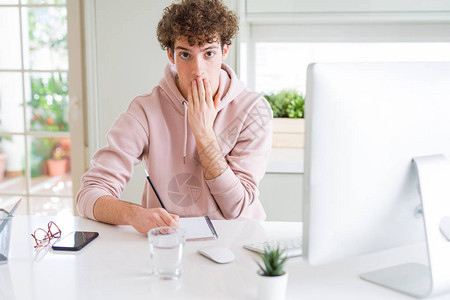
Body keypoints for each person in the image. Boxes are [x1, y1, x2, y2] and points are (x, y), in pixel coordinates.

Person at [76, 0, 273, 234]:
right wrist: (134, 214)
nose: (198, 70)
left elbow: (236, 208)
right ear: (171, 54)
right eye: (186, 55)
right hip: (170, 241)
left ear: (225, 51)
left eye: (209, 53)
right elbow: (88, 194)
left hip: (236, 240)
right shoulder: (145, 111)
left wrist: (203, 133)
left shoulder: (253, 109)